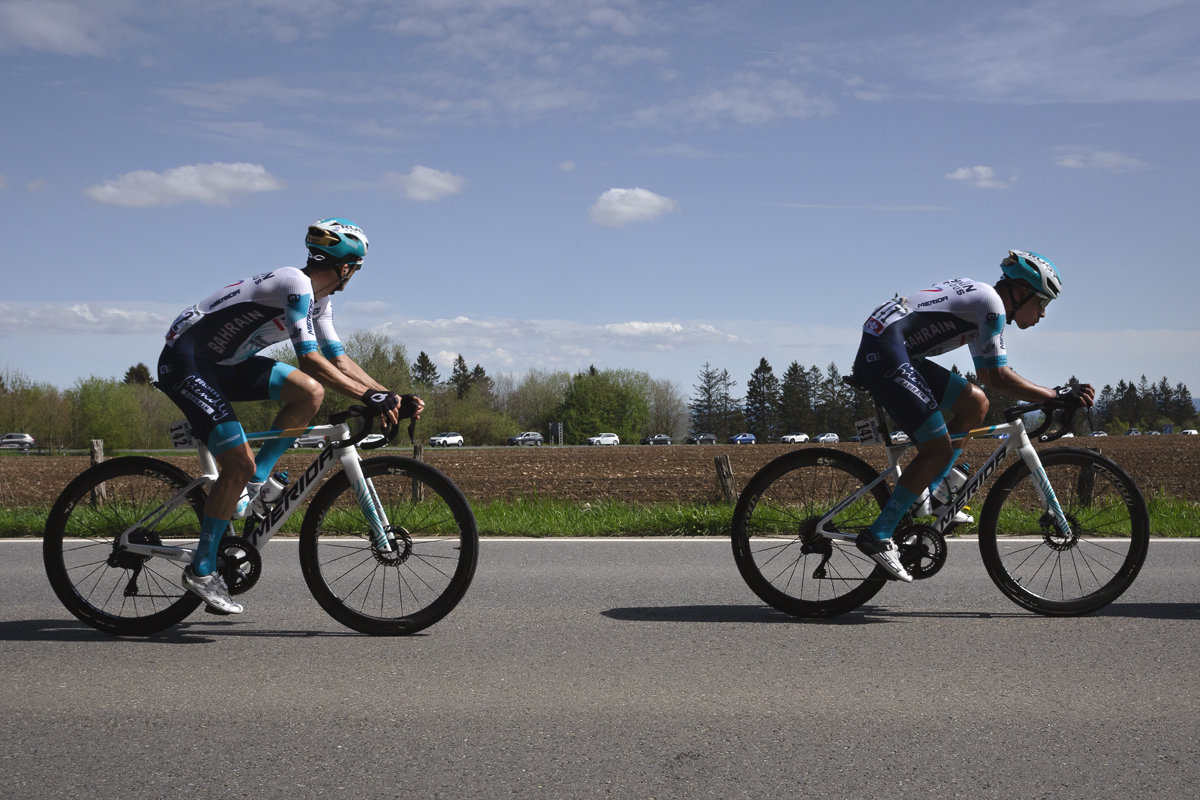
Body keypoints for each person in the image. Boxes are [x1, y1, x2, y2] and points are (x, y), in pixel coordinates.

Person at [157, 218, 423, 614]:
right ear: (347, 268)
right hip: (187, 363)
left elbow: (337, 358)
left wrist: (386, 393)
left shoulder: (320, 300)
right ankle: (202, 568)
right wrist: (369, 395)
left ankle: (257, 483)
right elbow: (311, 359)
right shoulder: (295, 284)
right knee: (238, 464)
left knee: (308, 394)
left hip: (223, 364)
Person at [850, 250, 1093, 581]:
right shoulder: (991, 305)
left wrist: (1052, 396)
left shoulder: (985, 306)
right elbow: (1000, 378)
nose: (1043, 314)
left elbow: (990, 379)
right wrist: (1056, 394)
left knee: (975, 404)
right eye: (1043, 303)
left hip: (892, 346)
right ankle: (879, 534)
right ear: (1021, 293)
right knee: (938, 451)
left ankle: (934, 495)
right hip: (887, 350)